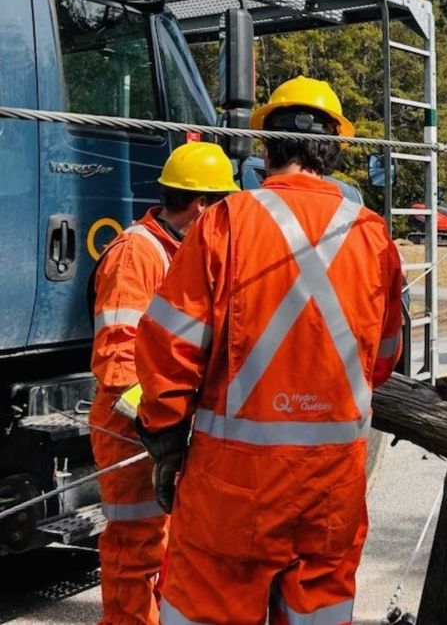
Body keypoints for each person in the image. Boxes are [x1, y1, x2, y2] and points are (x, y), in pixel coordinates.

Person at [133, 76, 406, 623]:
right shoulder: (373, 235)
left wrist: (165, 444)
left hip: (232, 485)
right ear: (335, 147)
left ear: (267, 146)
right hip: (331, 488)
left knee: (208, 607)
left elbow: (169, 349)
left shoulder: (224, 223)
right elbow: (383, 358)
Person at [88, 141, 238, 625]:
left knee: (167, 547)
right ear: (201, 205)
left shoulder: (182, 250)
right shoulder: (138, 253)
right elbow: (117, 363)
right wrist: (161, 421)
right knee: (135, 548)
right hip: (130, 429)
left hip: (159, 426)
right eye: (222, 207)